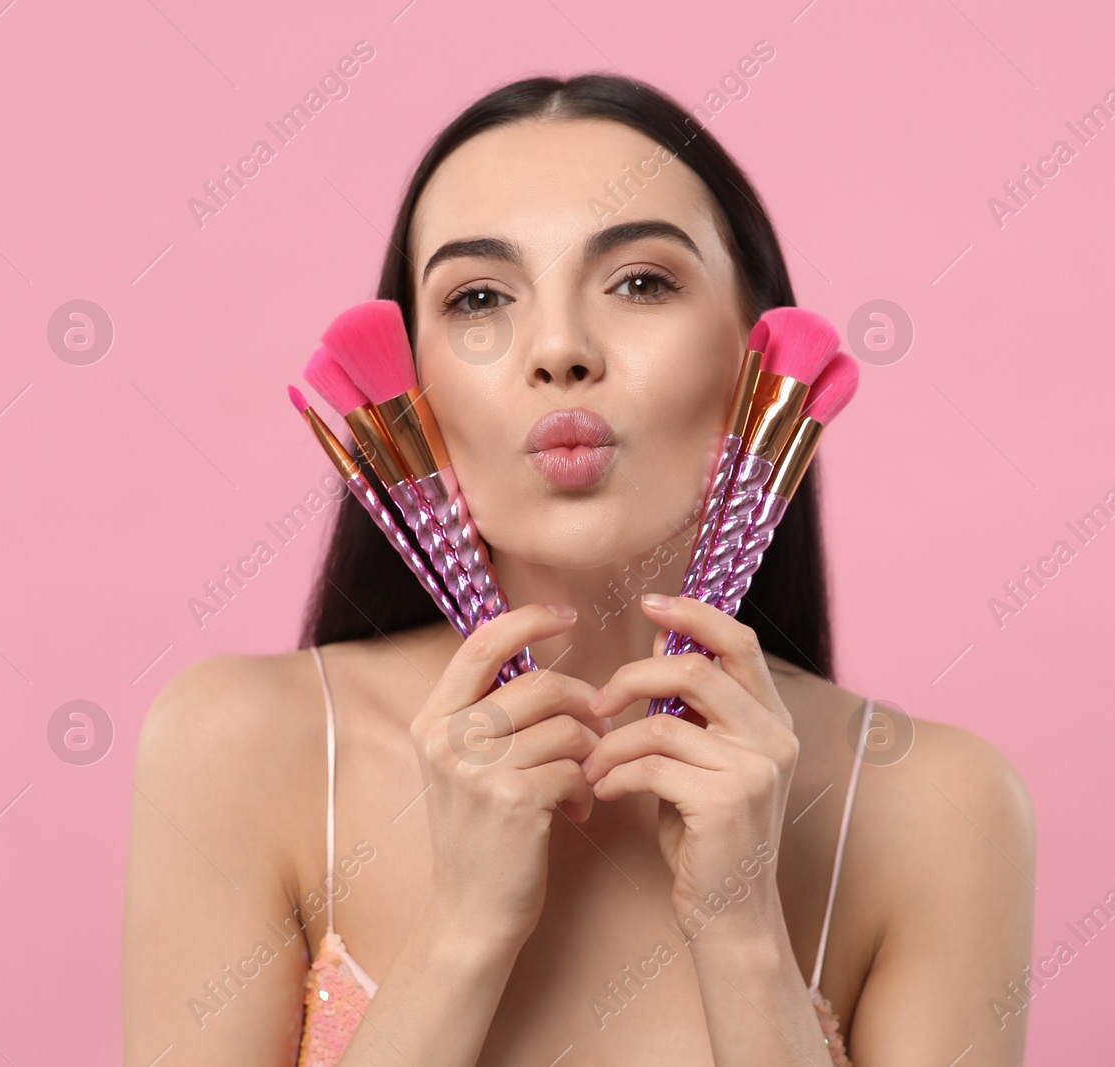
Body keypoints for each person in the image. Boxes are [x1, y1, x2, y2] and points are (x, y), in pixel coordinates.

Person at [122, 74, 1035, 1066]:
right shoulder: (244, 750)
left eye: (641, 282)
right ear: (411, 383)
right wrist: (464, 930)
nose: (558, 349)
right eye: (479, 297)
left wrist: (741, 936)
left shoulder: (934, 807)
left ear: (754, 357)